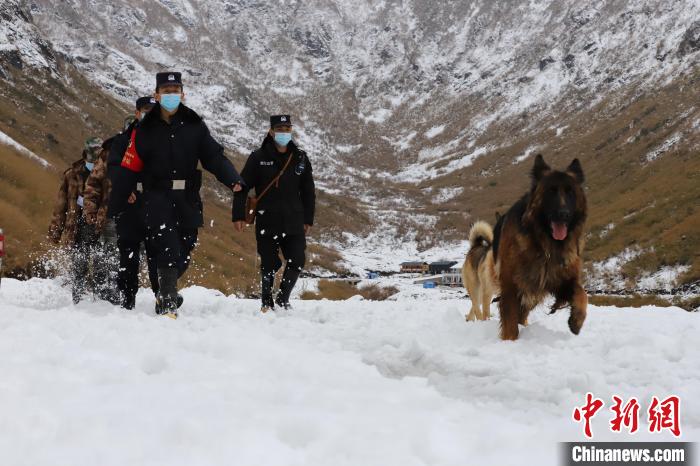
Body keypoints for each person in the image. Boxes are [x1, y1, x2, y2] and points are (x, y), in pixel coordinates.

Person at [116, 72, 244, 318]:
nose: (171, 95)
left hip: (187, 198)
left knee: (184, 248)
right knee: (166, 245)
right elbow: (129, 165)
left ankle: (167, 288)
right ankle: (167, 303)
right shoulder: (144, 129)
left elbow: (214, 157)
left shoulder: (195, 125)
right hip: (156, 197)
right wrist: (126, 189)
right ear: (157, 95)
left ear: (183, 94)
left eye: (176, 90)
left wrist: (234, 180)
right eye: (166, 90)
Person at [233, 115, 315, 313]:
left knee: (297, 260)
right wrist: (238, 215)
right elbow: (241, 187)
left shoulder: (300, 157)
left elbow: (308, 191)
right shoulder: (258, 157)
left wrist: (308, 219)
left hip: (294, 220)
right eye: (280, 128)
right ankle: (266, 302)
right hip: (267, 220)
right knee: (268, 263)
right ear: (271, 131)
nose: (284, 132)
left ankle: (283, 298)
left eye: (287, 128)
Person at [103, 97, 161, 310]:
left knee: (158, 254)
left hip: (156, 205)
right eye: (146, 110)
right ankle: (127, 299)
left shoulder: (167, 140)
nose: (150, 113)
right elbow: (114, 167)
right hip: (129, 205)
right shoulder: (123, 140)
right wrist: (124, 188)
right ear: (137, 113)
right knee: (128, 254)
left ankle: (162, 297)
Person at [48, 137, 104, 304]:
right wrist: (55, 231)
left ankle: (101, 303)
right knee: (79, 266)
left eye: (98, 153)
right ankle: (78, 301)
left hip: (101, 226)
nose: (94, 158)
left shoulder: (107, 173)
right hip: (77, 227)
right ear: (86, 153)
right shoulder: (71, 175)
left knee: (102, 267)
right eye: (92, 153)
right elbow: (61, 205)